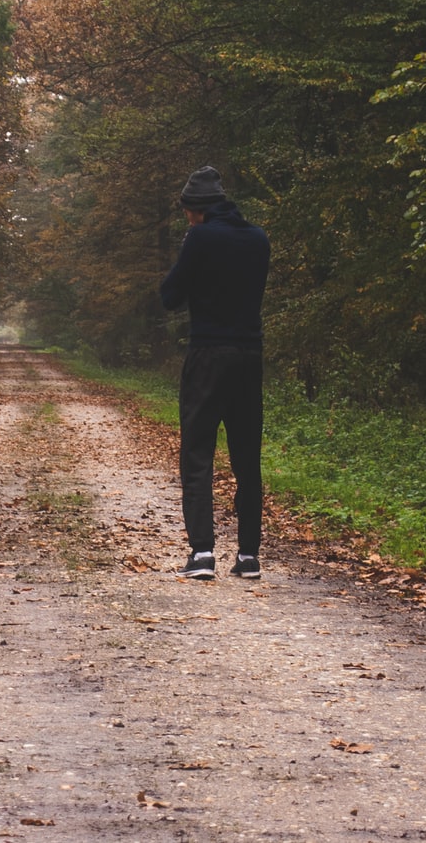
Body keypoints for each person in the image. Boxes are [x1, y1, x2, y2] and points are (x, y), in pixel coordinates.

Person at [159, 165, 269, 579]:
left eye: (187, 211)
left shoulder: (200, 237)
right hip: (249, 356)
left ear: (197, 209)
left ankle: (202, 553)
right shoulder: (259, 239)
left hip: (207, 355)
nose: (186, 218)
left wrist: (191, 253)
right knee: (246, 458)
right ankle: (248, 556)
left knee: (198, 454)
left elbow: (171, 295)